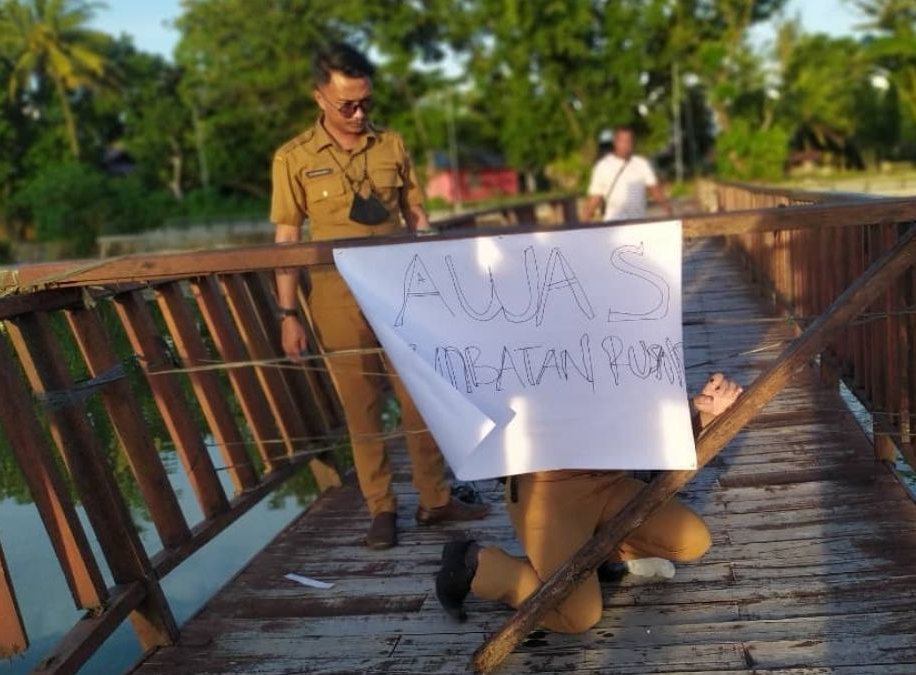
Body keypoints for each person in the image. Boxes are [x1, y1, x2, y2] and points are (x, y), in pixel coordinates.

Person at [270, 42, 489, 549]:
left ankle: (435, 500)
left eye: (366, 102)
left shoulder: (391, 144)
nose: (359, 113)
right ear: (319, 97)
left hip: (402, 290)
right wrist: (287, 312)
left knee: (420, 398)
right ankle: (381, 508)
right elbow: (286, 238)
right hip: (334, 296)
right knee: (361, 405)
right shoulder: (293, 158)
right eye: (347, 104)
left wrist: (440, 274)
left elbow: (417, 216)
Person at [434, 373, 743, 634]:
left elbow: (654, 432)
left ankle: (593, 561)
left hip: (608, 479)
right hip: (548, 491)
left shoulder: (619, 337)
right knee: (579, 616)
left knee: (691, 540)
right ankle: (477, 562)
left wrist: (706, 412)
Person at [581, 126, 674, 222]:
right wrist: (585, 219)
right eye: (623, 141)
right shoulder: (603, 166)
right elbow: (595, 198)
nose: (626, 145)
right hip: (613, 225)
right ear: (615, 142)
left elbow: (655, 190)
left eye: (629, 141)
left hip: (638, 223)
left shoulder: (641, 164)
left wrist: (668, 210)